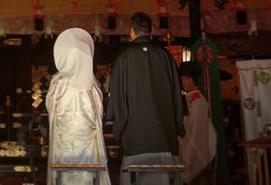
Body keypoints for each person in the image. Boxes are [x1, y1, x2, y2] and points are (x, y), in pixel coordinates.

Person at [106, 12, 186, 185]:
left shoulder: (124, 56)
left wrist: (118, 128)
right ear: (150, 31)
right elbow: (177, 94)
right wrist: (178, 125)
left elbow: (118, 96)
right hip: (164, 135)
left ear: (132, 32)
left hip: (136, 136)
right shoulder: (165, 55)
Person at [46, 28, 111, 185]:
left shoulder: (58, 84)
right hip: (88, 153)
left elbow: (51, 111)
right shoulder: (92, 87)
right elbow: (98, 117)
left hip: (64, 151)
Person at [178, 61, 217, 185]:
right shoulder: (187, 97)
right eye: (182, 80)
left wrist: (178, 123)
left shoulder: (198, 99)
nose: (183, 83)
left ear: (192, 80)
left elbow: (195, 126)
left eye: (184, 79)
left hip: (198, 145)